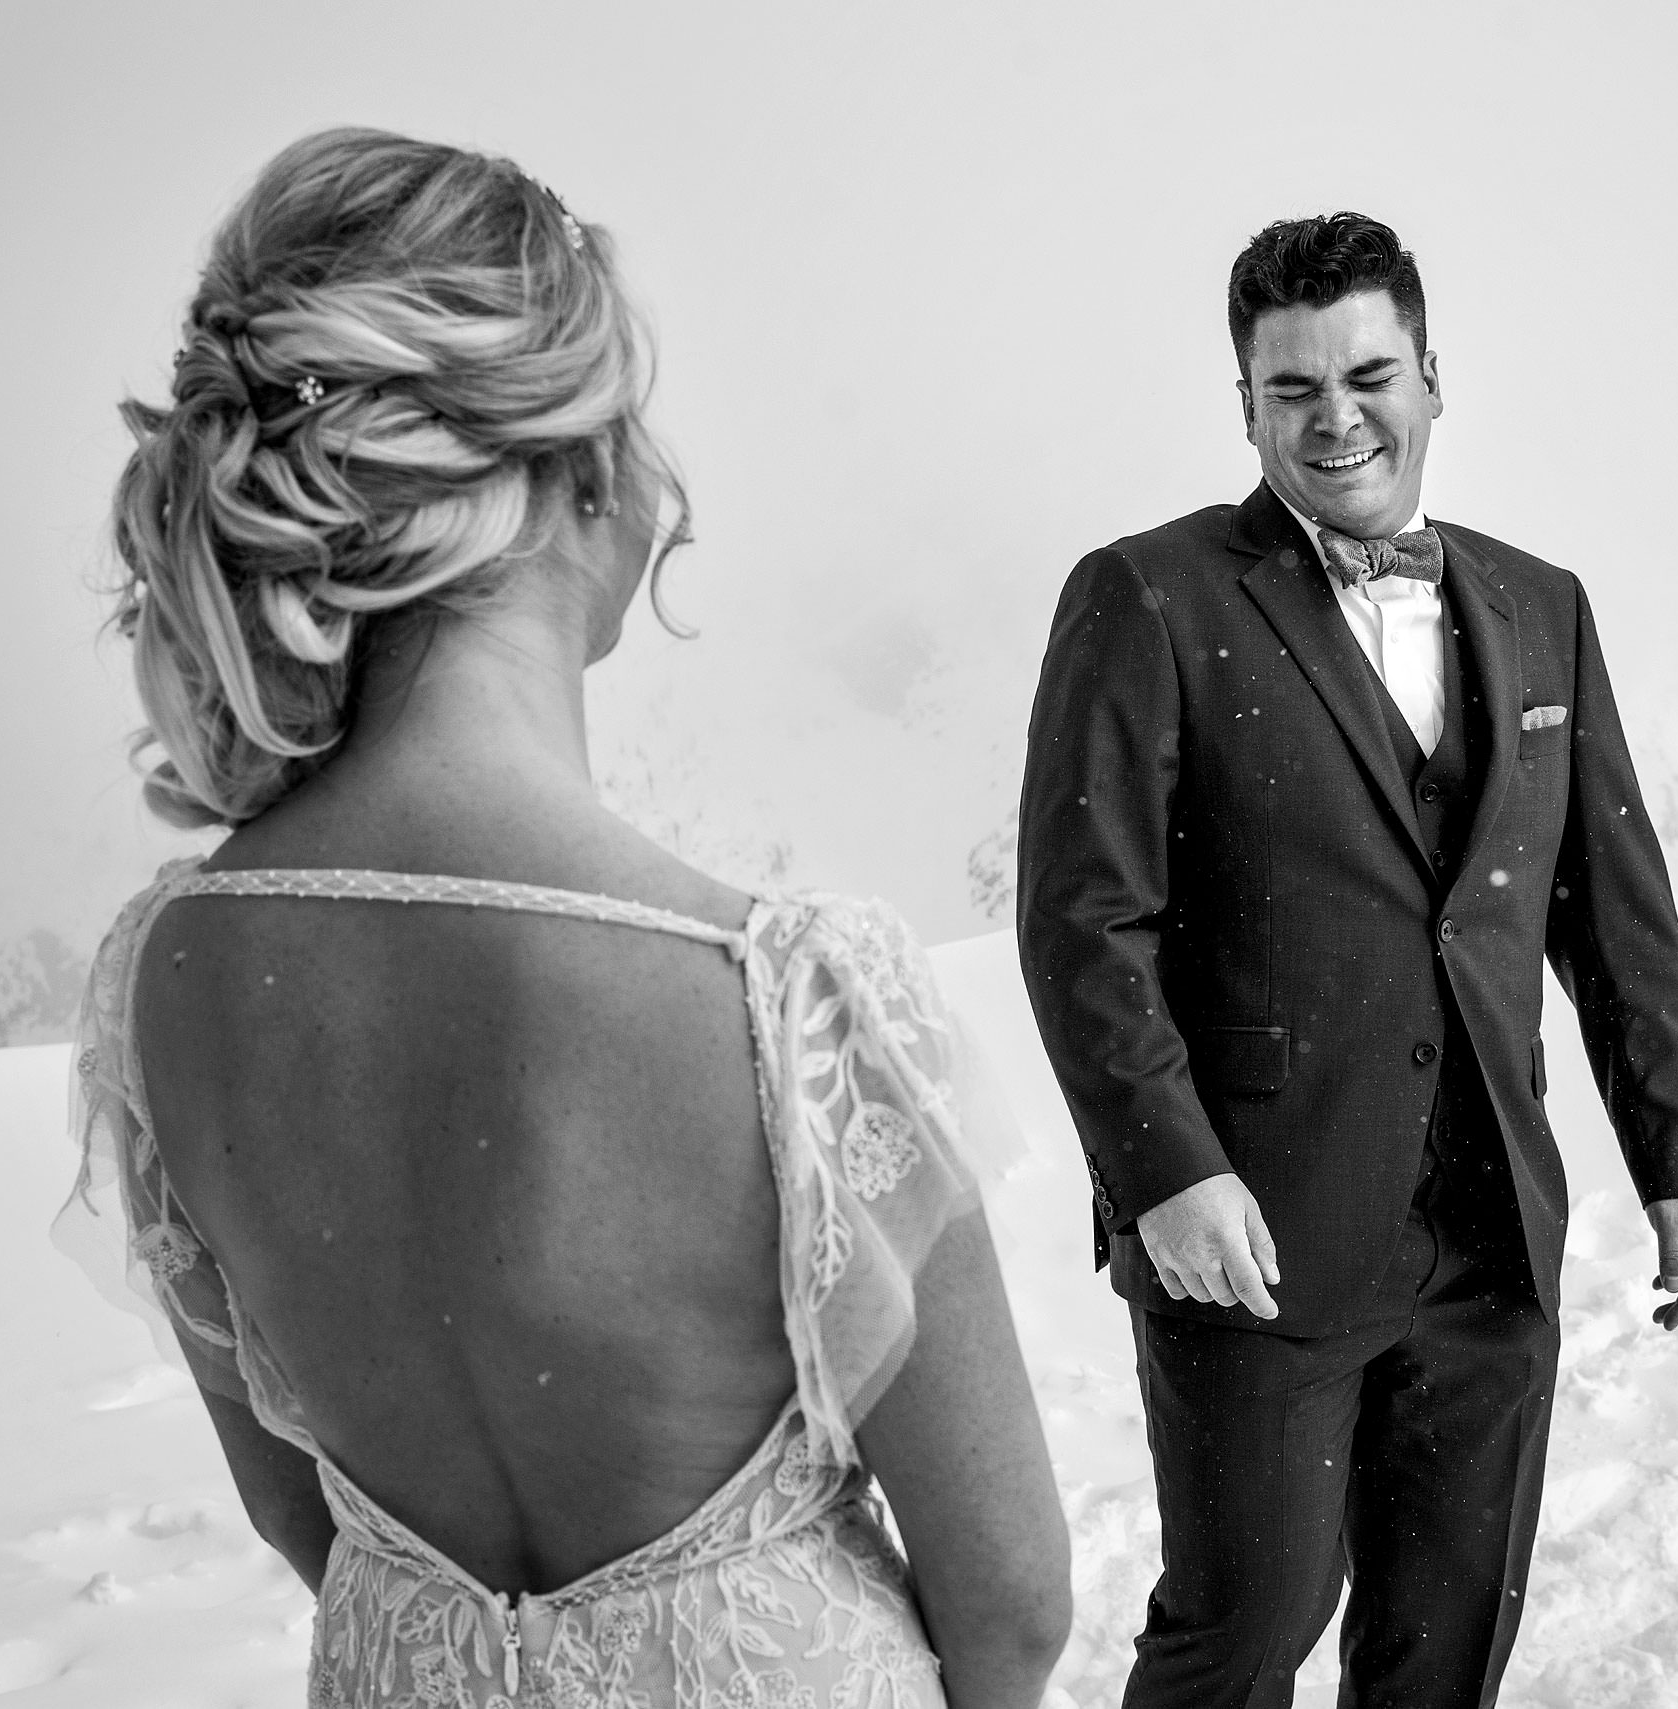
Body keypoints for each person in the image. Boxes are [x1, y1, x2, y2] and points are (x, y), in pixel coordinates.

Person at [56, 127, 1069, 1709]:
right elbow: (1009, 1601)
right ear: (584, 470)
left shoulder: (165, 981)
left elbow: (288, 1500)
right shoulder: (781, 999)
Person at [1016, 214, 1678, 1708]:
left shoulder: (1543, 604)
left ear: (1430, 377)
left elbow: (1614, 904)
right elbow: (1084, 920)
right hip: (1254, 1242)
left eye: (1367, 373)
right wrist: (1165, 1173)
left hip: (1489, 1236)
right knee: (1240, 1632)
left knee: (1444, 1646)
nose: (1336, 416)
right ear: (1248, 407)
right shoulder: (1148, 596)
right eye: (1293, 390)